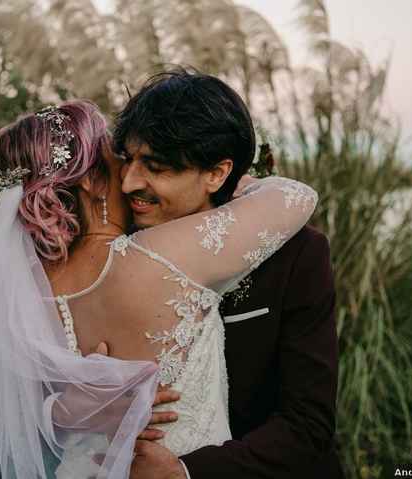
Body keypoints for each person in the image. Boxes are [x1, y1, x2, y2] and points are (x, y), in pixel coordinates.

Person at [0, 98, 317, 478]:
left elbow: (2, 415)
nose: (128, 176)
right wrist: (247, 184)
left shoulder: (23, 292)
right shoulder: (157, 256)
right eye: (116, 158)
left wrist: (62, 414)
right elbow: (298, 198)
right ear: (89, 180)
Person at [113, 70, 343, 478]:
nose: (130, 182)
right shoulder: (117, 251)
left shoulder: (298, 255)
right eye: (127, 160)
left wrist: (184, 473)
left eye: (156, 166)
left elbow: (308, 425)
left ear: (217, 173)